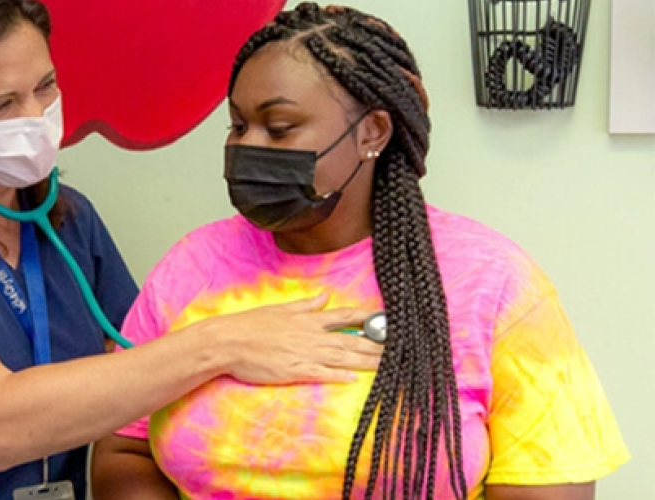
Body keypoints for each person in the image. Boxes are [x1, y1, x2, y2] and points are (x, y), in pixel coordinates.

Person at [0, 0, 384, 498]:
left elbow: (134, 378)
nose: (34, 117)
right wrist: (223, 343)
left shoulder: (65, 218)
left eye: (45, 87)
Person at [91, 4, 629, 500]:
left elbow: (547, 481)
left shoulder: (492, 282)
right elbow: (122, 447)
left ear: (372, 132)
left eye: (279, 128)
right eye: (237, 124)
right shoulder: (193, 266)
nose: (246, 147)